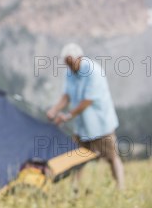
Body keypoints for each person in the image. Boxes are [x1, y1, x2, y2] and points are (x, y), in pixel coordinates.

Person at [46, 43, 125, 191]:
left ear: (80, 58)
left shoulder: (94, 71)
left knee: (111, 157)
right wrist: (54, 110)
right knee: (77, 156)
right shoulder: (69, 73)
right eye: (66, 64)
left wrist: (67, 116)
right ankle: (74, 189)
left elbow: (87, 101)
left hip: (100, 124)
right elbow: (67, 95)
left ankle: (121, 189)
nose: (69, 67)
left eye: (70, 63)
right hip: (82, 126)